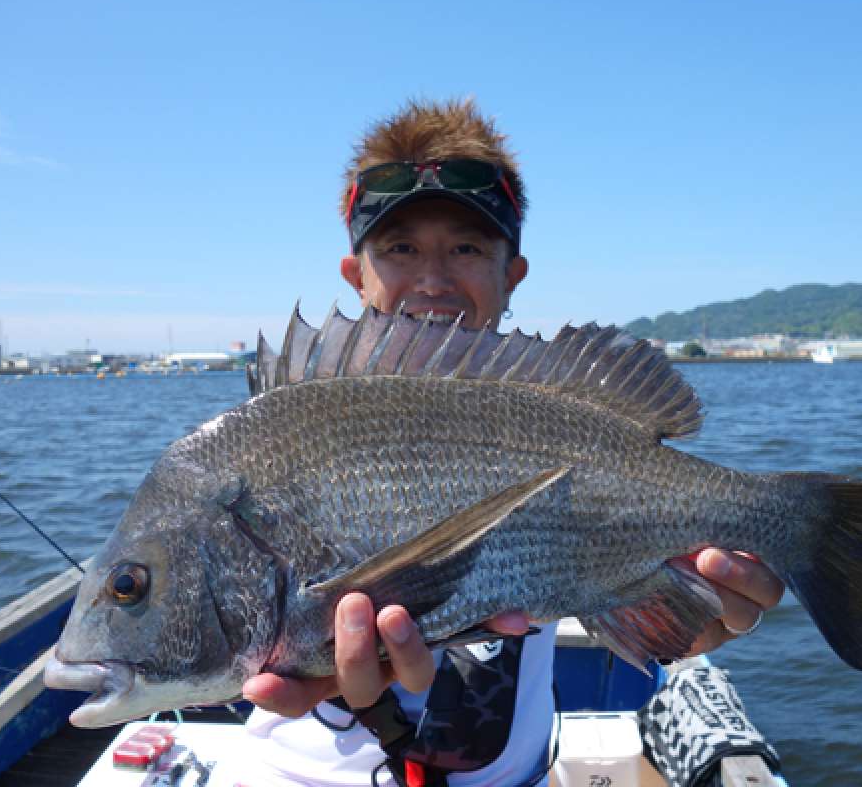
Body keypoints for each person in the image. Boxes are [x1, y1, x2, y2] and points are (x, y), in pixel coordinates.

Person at [238, 98, 785, 786]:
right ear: (357, 274)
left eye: (467, 247)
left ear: (512, 273)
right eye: (400, 248)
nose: (433, 279)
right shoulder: (279, 428)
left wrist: (701, 617)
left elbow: (654, 609)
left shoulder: (557, 408)